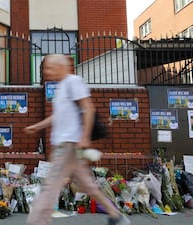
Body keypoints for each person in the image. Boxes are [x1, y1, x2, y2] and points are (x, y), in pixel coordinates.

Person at [24, 54, 130, 225]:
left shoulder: (73, 81)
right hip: (67, 147)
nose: (46, 72)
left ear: (62, 67)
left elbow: (88, 107)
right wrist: (38, 126)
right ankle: (116, 215)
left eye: (50, 67)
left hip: (67, 146)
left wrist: (85, 136)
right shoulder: (60, 88)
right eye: (46, 68)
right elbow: (57, 116)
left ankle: (36, 222)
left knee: (50, 187)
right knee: (87, 185)